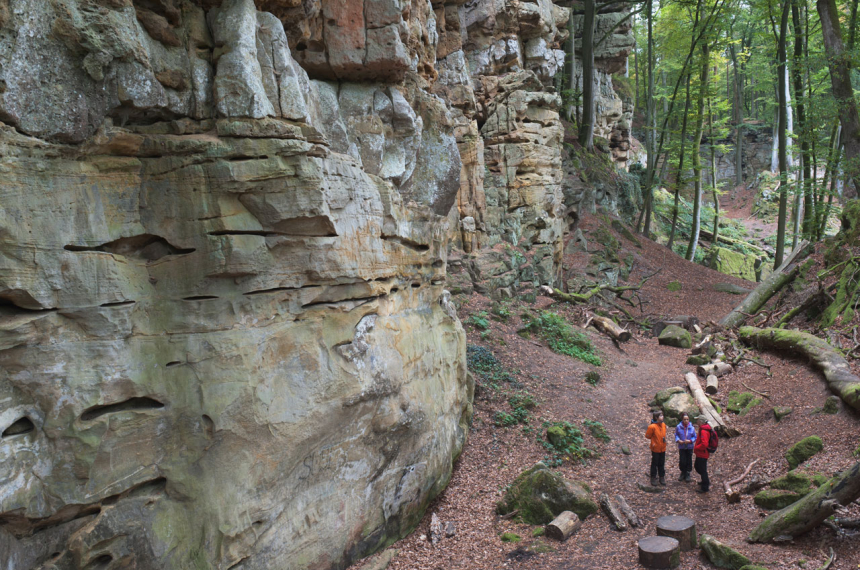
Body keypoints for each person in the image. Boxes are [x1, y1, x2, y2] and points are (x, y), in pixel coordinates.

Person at [645, 411, 667, 486]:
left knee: (662, 462)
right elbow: (647, 436)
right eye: (660, 416)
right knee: (655, 463)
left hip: (663, 447)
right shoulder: (652, 427)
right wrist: (654, 442)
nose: (662, 417)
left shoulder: (663, 425)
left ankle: (661, 476)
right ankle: (653, 477)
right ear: (656, 418)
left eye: (662, 415)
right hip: (655, 448)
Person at [693, 416, 713, 493]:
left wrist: (697, 447)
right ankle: (704, 480)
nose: (696, 422)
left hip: (702, 453)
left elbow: (704, 444)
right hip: (701, 453)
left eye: (697, 420)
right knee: (698, 467)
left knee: (702, 469)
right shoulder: (703, 429)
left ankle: (705, 486)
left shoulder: (704, 431)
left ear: (701, 421)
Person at [674, 413, 696, 482]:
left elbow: (694, 437)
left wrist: (690, 441)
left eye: (687, 419)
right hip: (682, 446)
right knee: (682, 460)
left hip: (689, 446)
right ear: (682, 420)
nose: (686, 421)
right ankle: (682, 472)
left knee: (689, 459)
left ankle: (688, 473)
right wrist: (678, 440)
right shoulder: (679, 427)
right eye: (684, 419)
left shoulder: (692, 428)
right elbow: (676, 435)